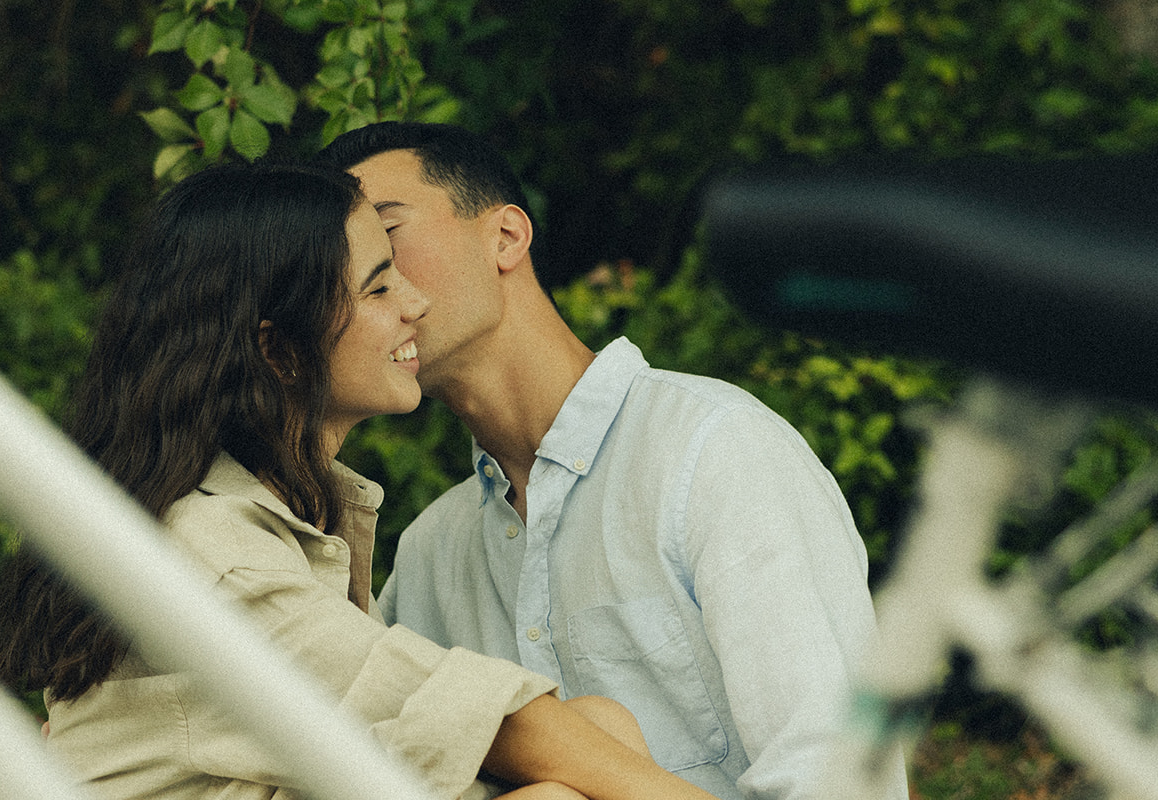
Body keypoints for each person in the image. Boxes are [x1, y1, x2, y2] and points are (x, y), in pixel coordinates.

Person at [0, 161, 720, 800]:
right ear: (278, 349)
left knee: (600, 728)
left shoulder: (270, 512)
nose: (416, 304)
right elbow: (448, 709)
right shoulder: (214, 557)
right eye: (377, 288)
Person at [318, 123, 909, 800]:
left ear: (506, 237)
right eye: (345, 265)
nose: (370, 281)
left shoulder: (714, 451)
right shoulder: (431, 556)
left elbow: (833, 777)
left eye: (386, 237)